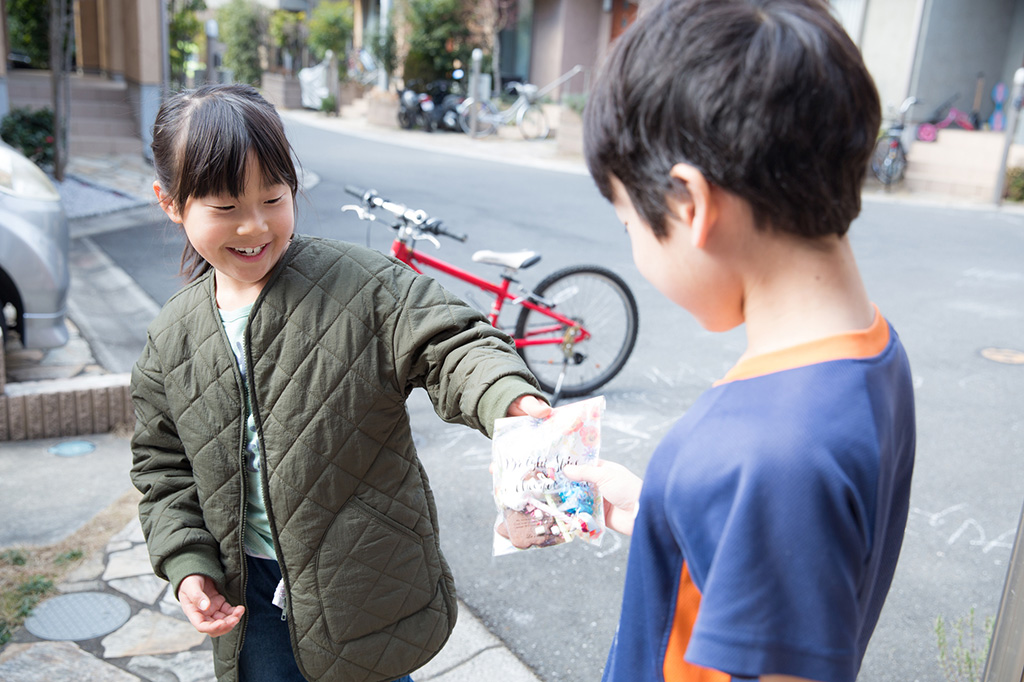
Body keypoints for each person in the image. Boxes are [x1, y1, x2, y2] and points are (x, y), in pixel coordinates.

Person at [129, 83, 551, 682]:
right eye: (225, 208)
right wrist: (187, 562)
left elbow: (452, 343)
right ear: (171, 202)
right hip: (249, 593)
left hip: (363, 579)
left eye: (273, 198)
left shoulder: (362, 285)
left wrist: (510, 397)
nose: (254, 226)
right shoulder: (170, 340)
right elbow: (161, 468)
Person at [564, 1, 916, 681]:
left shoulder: (765, 453)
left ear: (688, 206)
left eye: (627, 224)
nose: (633, 247)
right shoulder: (873, 352)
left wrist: (709, 494)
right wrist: (665, 513)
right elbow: (778, 573)